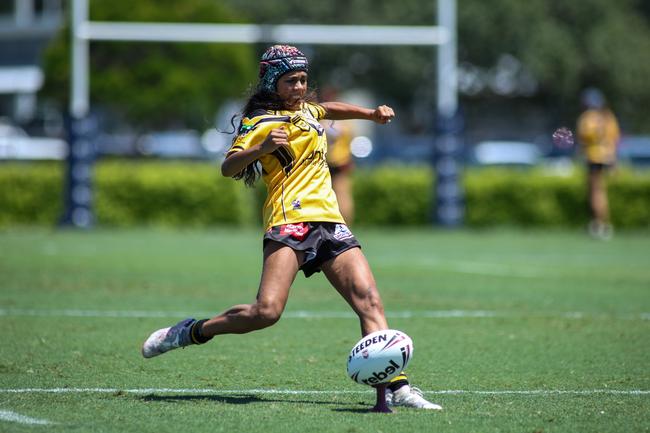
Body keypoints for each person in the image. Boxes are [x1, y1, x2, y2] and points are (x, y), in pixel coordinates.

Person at [141, 45, 441, 410]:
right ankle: (191, 331)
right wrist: (262, 147)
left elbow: (329, 109)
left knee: (370, 301)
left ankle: (398, 387)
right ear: (272, 82)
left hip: (330, 222)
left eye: (303, 79)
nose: (300, 87)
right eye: (291, 81)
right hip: (289, 223)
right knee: (265, 312)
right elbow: (229, 167)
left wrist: (369, 114)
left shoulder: (309, 110)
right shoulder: (261, 123)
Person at [576, 88, 620, 240]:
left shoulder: (587, 117)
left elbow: (583, 139)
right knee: (601, 191)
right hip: (608, 156)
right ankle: (602, 223)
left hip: (593, 156)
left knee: (595, 191)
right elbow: (614, 139)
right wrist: (614, 160)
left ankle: (599, 224)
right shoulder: (608, 117)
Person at [321, 87, 356, 224]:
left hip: (336, 160)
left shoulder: (334, 120)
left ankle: (344, 223)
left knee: (342, 195)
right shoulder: (345, 120)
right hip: (334, 160)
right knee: (335, 195)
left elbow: (336, 136)